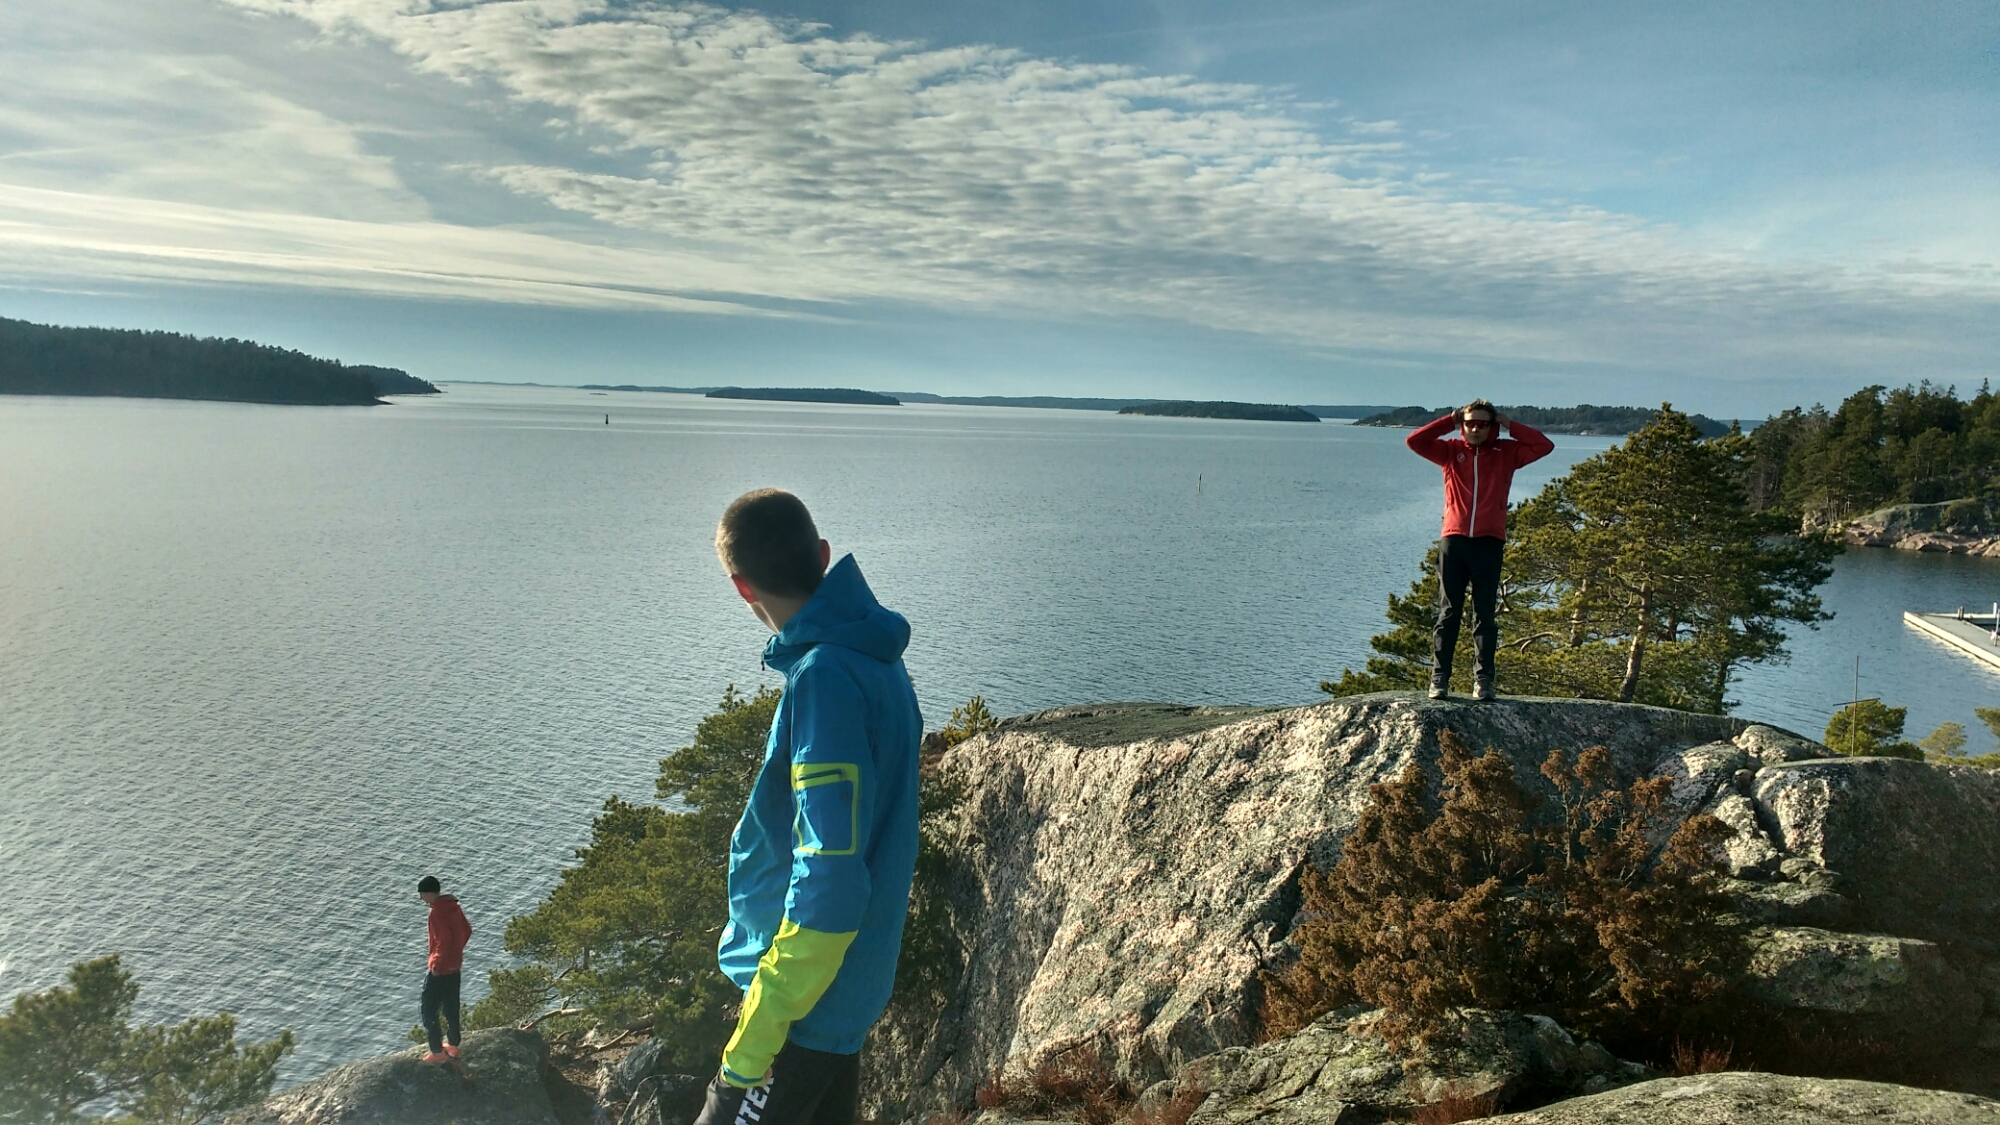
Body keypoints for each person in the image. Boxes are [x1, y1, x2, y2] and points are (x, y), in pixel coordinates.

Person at [693, 489, 923, 1125]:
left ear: (742, 587)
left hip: (801, 1009)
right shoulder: (876, 659)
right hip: (842, 991)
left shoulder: (825, 679)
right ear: (821, 555)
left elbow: (830, 879)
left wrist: (757, 1038)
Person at [1405, 400, 1554, 701]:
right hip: (1454, 540)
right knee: (1449, 613)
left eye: (1482, 424)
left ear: (1492, 426)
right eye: (1469, 423)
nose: (1475, 429)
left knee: (1484, 614)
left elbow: (1543, 445)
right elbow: (1415, 441)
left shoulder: (1506, 453)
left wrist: (1510, 424)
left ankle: (1483, 680)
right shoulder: (1449, 451)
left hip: (1489, 542)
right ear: (1462, 425)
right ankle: (1439, 679)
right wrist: (1449, 420)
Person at [417, 875, 471, 1064]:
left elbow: (444, 940)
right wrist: (455, 953)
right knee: (451, 1007)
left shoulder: (436, 912)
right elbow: (467, 930)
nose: (421, 898)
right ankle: (453, 1046)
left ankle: (437, 1051)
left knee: (428, 1010)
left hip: (440, 969)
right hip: (455, 966)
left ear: (429, 893)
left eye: (422, 894)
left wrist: (436, 965)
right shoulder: (454, 907)